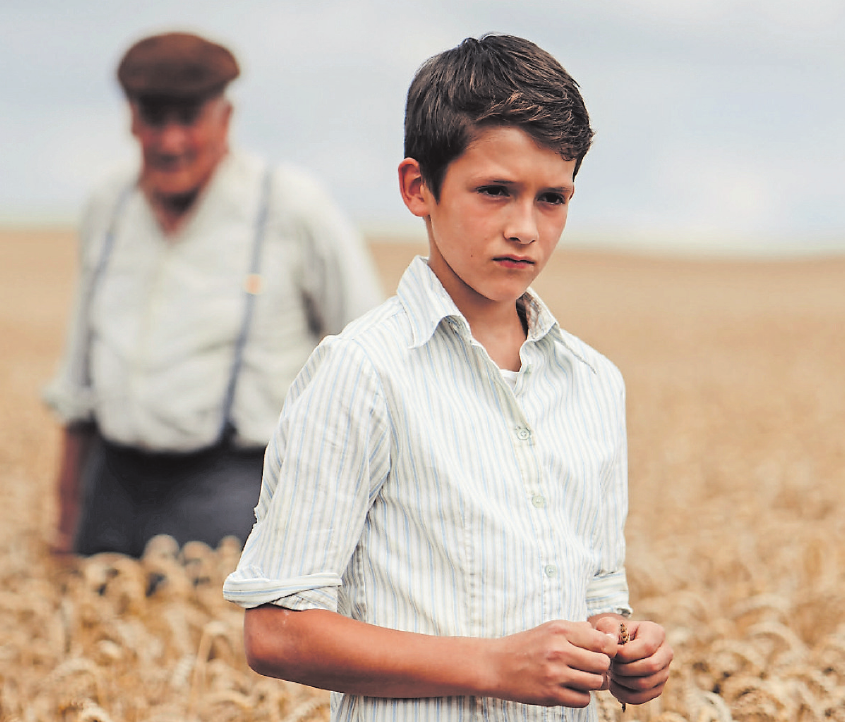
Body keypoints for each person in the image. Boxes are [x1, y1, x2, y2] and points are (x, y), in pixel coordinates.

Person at [223, 34, 672, 722]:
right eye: (495, 191)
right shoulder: (362, 371)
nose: (525, 227)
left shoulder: (593, 382)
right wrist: (493, 663)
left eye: (552, 198)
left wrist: (623, 648)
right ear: (417, 188)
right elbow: (277, 631)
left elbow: (597, 592)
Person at [44, 31, 383, 558]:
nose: (170, 141)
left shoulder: (291, 206)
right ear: (131, 119)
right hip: (111, 483)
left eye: (189, 119)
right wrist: (67, 512)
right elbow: (79, 378)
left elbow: (371, 356)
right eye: (154, 119)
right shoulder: (107, 207)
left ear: (225, 118)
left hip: (234, 486)